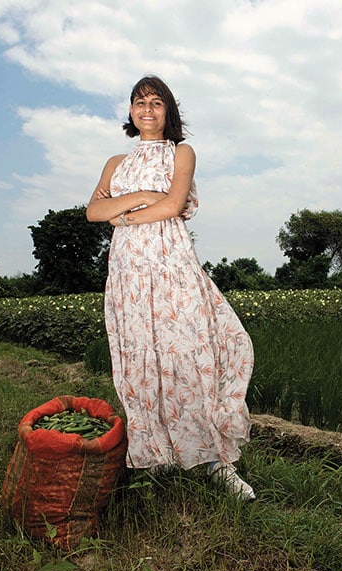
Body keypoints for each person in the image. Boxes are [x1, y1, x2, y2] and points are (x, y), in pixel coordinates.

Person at [86, 75, 255, 500]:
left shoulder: (182, 152)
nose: (147, 109)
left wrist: (121, 213)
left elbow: (174, 205)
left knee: (196, 350)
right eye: (139, 102)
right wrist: (142, 194)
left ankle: (216, 461)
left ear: (168, 111)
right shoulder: (114, 163)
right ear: (129, 111)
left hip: (171, 262)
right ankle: (156, 458)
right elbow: (93, 211)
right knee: (141, 363)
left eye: (156, 103)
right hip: (128, 271)